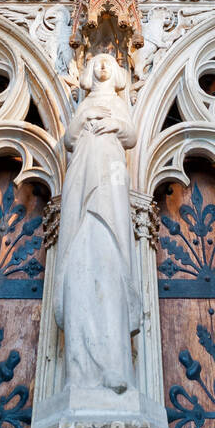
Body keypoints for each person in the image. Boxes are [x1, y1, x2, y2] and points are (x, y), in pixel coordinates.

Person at [53, 54, 140, 394]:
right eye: (97, 62)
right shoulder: (87, 102)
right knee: (78, 267)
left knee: (110, 261)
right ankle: (79, 372)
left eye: (108, 61)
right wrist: (86, 117)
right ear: (89, 72)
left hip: (110, 173)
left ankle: (115, 365)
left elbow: (130, 134)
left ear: (117, 73)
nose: (102, 65)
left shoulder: (117, 102)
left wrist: (113, 126)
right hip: (81, 174)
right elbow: (70, 139)